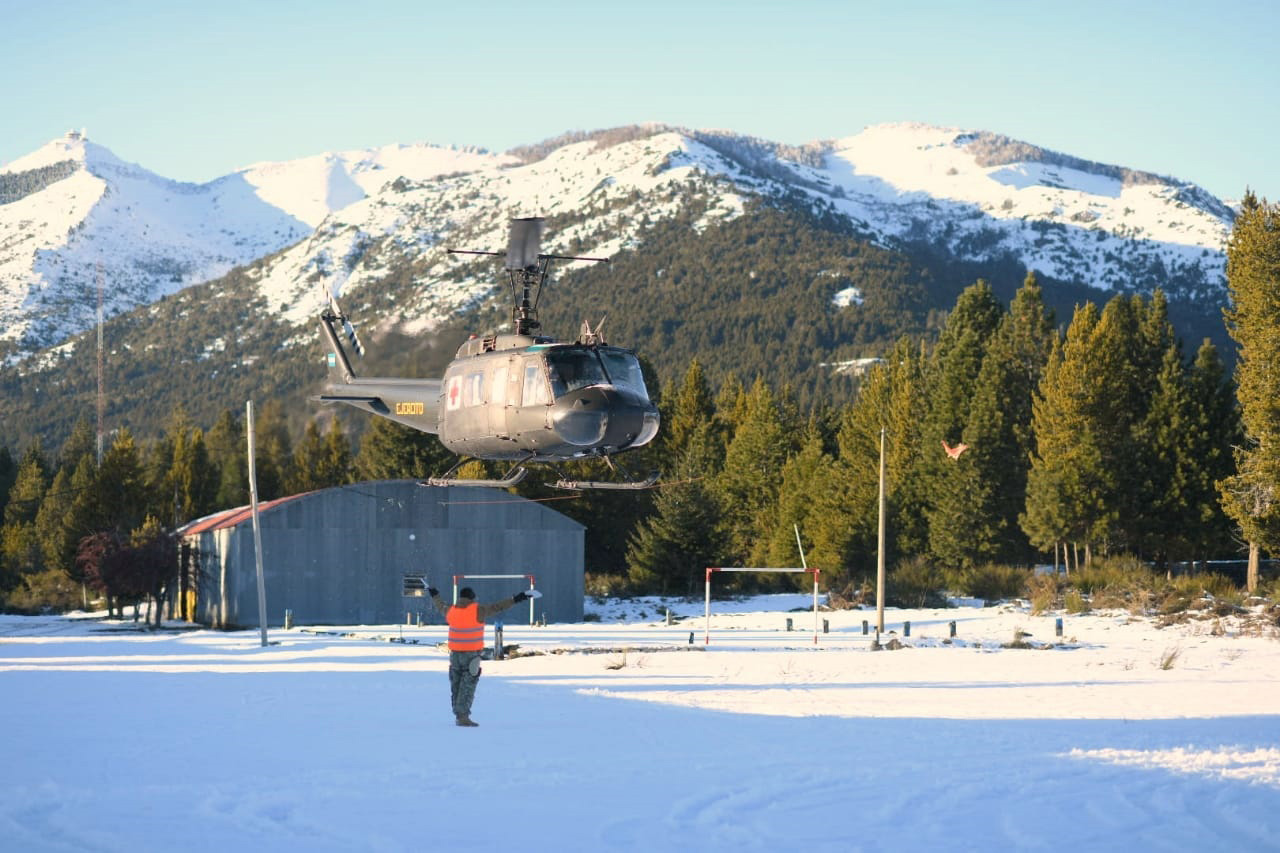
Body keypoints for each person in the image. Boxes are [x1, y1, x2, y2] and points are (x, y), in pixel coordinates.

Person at [427, 584, 536, 727]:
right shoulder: (478, 610)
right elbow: (498, 607)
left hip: (454, 655)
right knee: (468, 685)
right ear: (472, 598)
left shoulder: (450, 610)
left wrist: (434, 595)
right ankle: (463, 717)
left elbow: (440, 605)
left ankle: (458, 713)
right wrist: (516, 598)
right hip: (471, 655)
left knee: (456, 684)